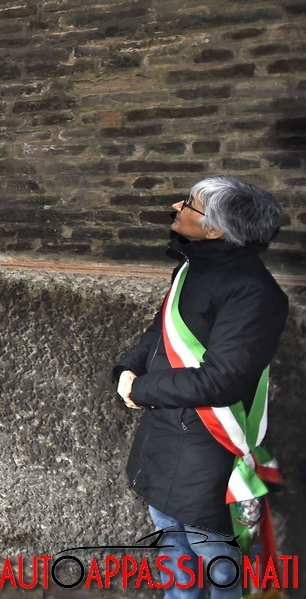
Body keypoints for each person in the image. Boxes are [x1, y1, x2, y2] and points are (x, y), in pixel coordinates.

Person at [115, 177, 288, 599]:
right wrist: (127, 369)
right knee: (174, 553)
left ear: (215, 230)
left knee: (219, 568)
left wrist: (143, 390)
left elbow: (222, 379)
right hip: (165, 442)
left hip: (206, 456)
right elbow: (160, 334)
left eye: (189, 204)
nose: (177, 206)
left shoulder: (254, 293)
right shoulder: (192, 268)